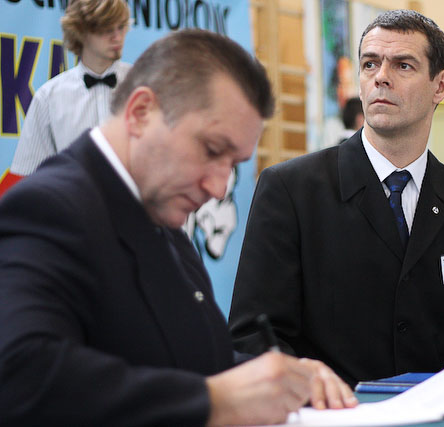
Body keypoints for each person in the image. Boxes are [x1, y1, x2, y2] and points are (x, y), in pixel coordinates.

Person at [0, 29, 356, 426]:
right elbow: (20, 375)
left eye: (232, 164)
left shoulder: (160, 214)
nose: (218, 187)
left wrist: (280, 378)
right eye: (211, 150)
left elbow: (189, 358)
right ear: (141, 112)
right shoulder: (46, 209)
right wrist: (213, 401)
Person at [229, 9, 444, 388]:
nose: (381, 77)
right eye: (370, 64)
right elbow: (255, 338)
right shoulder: (291, 191)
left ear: (440, 86)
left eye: (403, 65)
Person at [10, 0, 132, 176]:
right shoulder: (48, 98)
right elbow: (31, 174)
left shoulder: (143, 85)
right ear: (80, 31)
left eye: (121, 27)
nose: (117, 37)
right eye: (106, 29)